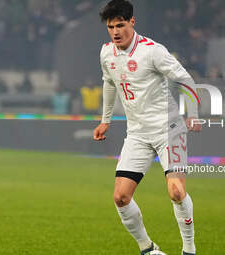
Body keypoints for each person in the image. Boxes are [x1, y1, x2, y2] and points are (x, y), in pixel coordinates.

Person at [93, 1, 201, 254]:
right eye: (111, 27)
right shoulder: (106, 53)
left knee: (176, 192)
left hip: (168, 129)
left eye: (120, 25)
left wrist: (193, 114)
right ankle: (148, 249)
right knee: (120, 197)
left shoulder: (152, 51)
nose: (115, 31)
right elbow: (109, 83)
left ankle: (189, 249)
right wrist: (105, 120)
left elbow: (185, 79)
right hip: (138, 134)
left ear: (132, 22)